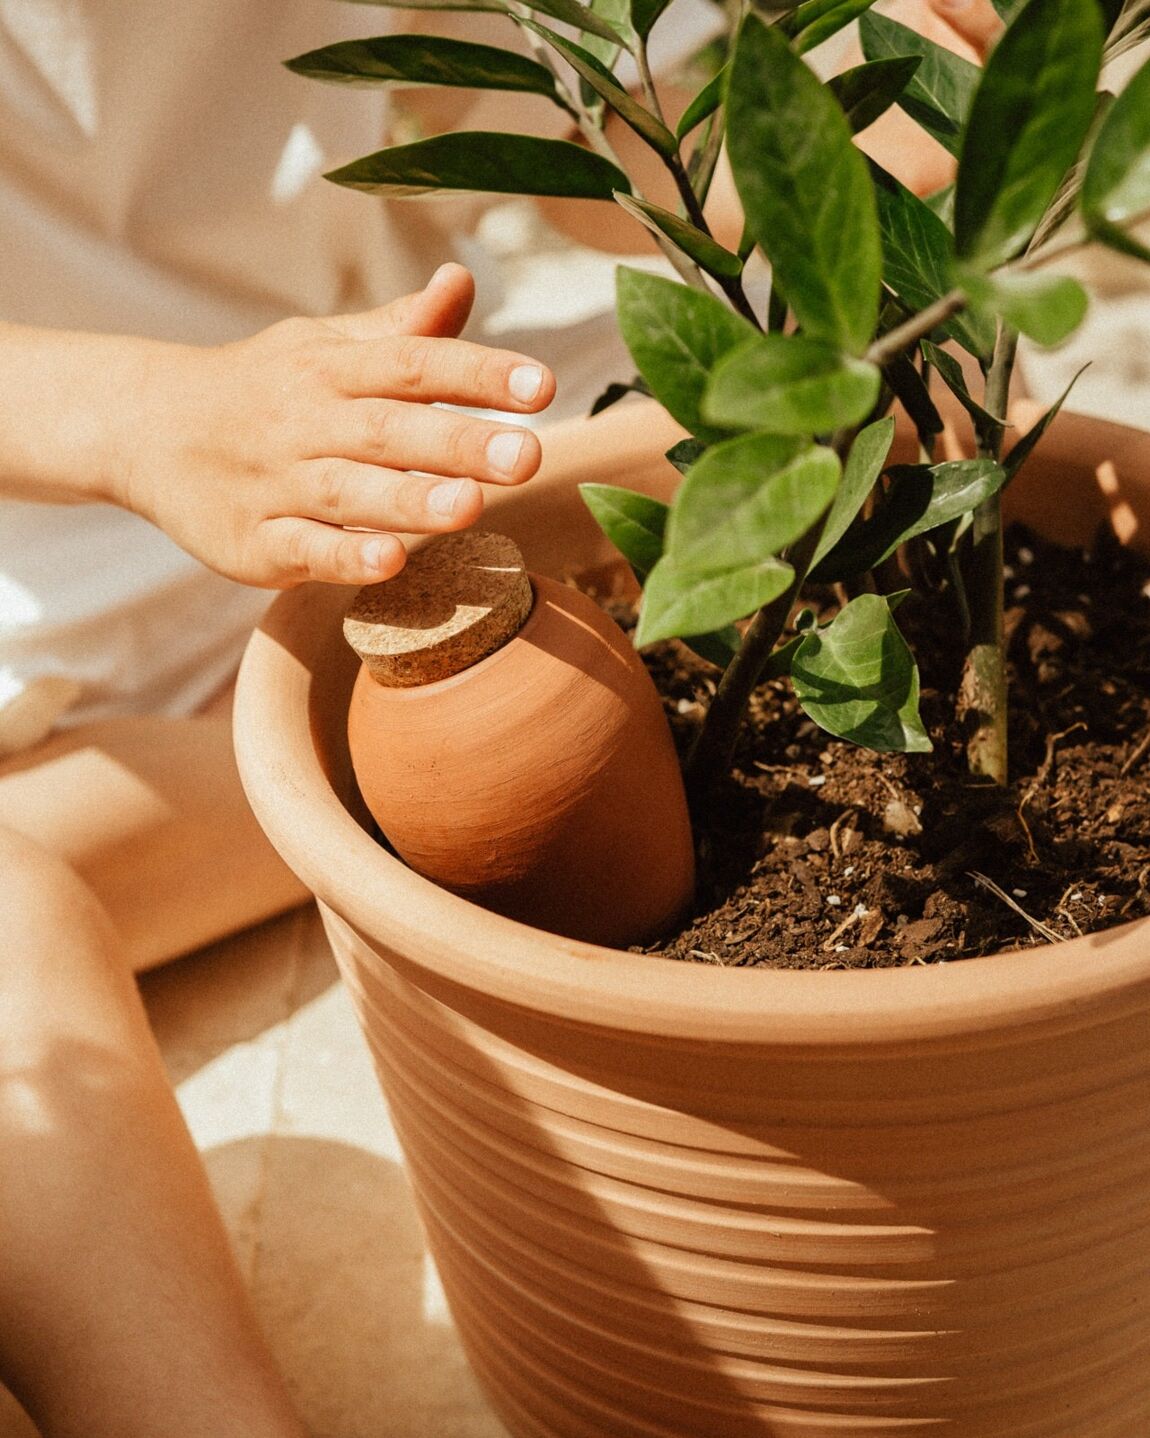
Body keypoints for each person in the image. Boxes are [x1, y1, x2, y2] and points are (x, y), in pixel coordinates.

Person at [0, 0, 1012, 1434]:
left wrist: (908, 110)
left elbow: (615, 143)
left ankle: (387, 772)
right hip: (52, 560)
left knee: (876, 423)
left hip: (380, 450)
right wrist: (138, 417)